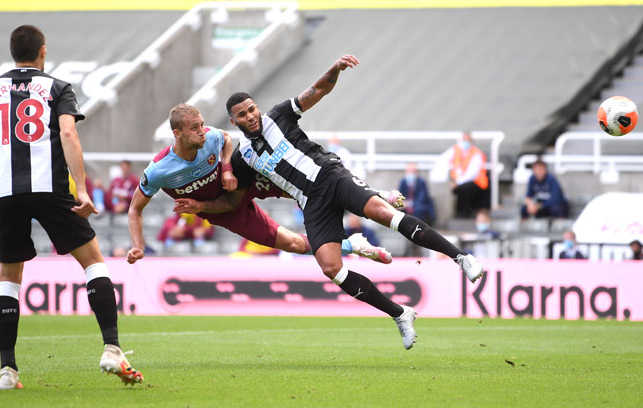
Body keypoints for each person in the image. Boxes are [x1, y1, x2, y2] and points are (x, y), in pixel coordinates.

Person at [185, 55, 484, 351]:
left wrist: (335, 69)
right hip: (310, 201)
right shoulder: (244, 156)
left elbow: (316, 91)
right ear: (233, 121)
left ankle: (461, 257)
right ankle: (401, 314)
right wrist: (201, 206)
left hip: (330, 176)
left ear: (257, 108)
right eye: (243, 114)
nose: (250, 116)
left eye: (252, 109)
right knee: (331, 268)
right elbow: (234, 199)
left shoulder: (279, 116)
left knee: (385, 215)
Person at [0, 25, 142, 390]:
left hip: (5, 192)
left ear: (12, 52)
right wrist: (81, 189)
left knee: (9, 279)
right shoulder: (58, 87)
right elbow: (67, 133)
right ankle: (111, 348)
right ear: (42, 51)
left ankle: (7, 372)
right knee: (93, 262)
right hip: (50, 189)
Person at [127, 103, 393, 266]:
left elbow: (226, 140)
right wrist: (138, 244)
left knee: (310, 182)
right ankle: (355, 246)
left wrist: (228, 167)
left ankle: (373, 194)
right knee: (294, 245)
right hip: (225, 211)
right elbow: (134, 209)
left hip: (242, 183)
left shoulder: (209, 137)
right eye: (195, 127)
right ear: (178, 133)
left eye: (202, 124)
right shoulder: (159, 170)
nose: (202, 130)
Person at [438, 131, 489, 218]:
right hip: (459, 181)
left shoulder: (476, 153)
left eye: (467, 140)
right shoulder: (456, 150)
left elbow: (472, 173)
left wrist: (457, 182)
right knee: (460, 188)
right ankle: (460, 213)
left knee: (464, 189)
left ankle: (464, 214)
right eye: (464, 140)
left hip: (477, 183)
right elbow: (443, 159)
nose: (465, 142)